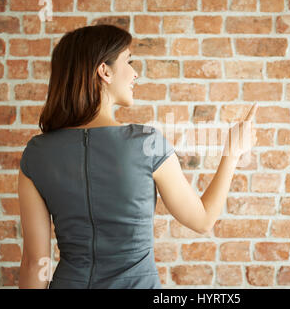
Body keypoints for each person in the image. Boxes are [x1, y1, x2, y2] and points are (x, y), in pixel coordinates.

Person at [17, 24, 258, 289]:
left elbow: (34, 263)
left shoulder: (37, 154)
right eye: (128, 62)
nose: (135, 74)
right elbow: (202, 220)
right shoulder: (146, 144)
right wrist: (232, 152)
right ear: (105, 71)